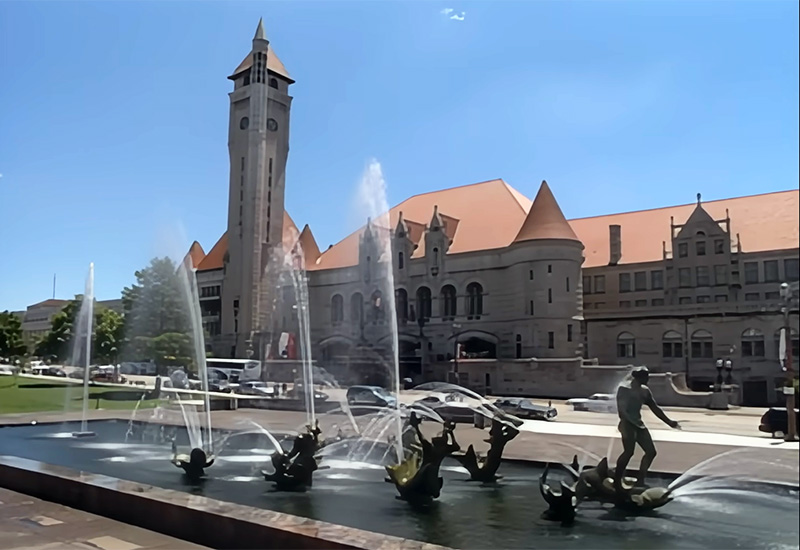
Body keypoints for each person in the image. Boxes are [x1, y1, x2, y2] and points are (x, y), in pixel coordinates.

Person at [614, 366, 679, 493]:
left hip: (639, 425)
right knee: (628, 452)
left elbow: (655, 408)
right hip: (627, 425)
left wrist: (669, 422)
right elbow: (622, 410)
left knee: (651, 452)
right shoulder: (624, 389)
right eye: (646, 376)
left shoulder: (645, 391)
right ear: (638, 377)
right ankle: (617, 481)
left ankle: (640, 481)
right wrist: (631, 424)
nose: (648, 379)